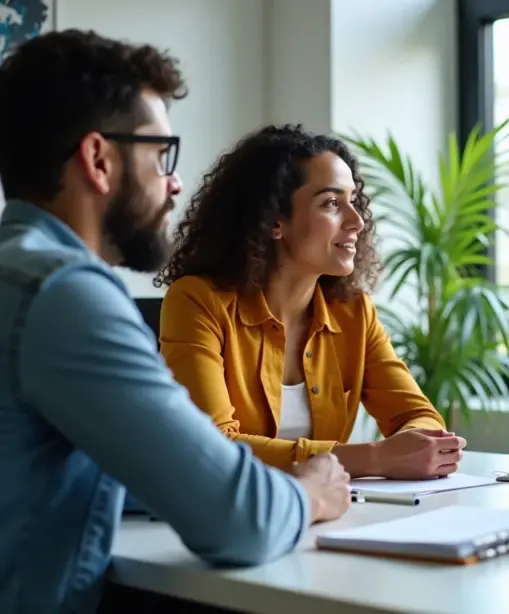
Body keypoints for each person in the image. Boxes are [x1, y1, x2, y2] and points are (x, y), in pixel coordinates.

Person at [0, 30, 351, 614]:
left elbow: (130, 470)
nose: (176, 182)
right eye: (162, 155)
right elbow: (238, 521)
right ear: (98, 158)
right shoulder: (66, 295)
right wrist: (310, 492)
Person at [154, 124, 466, 478]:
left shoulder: (354, 312)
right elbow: (212, 448)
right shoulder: (197, 301)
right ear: (274, 219)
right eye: (332, 203)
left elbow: (416, 414)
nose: (357, 221)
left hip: (331, 516)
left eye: (354, 201)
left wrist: (417, 444)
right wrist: (376, 458)